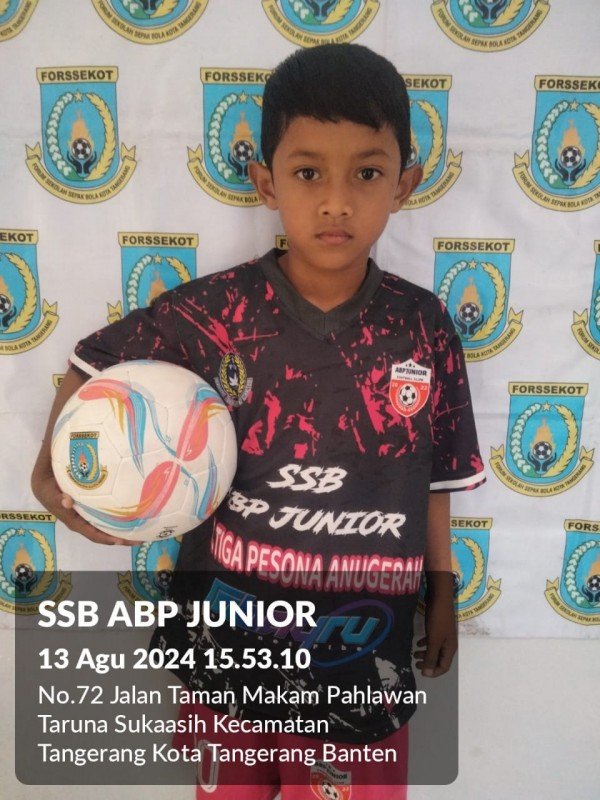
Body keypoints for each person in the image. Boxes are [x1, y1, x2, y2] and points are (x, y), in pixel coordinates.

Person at [31, 43, 486, 800]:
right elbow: (92, 364)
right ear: (266, 183)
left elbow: (434, 475)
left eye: (366, 173)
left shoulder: (423, 326)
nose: (336, 201)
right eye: (308, 173)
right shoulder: (213, 313)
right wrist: (52, 468)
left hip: (359, 650)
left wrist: (443, 589)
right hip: (228, 643)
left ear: (404, 185)